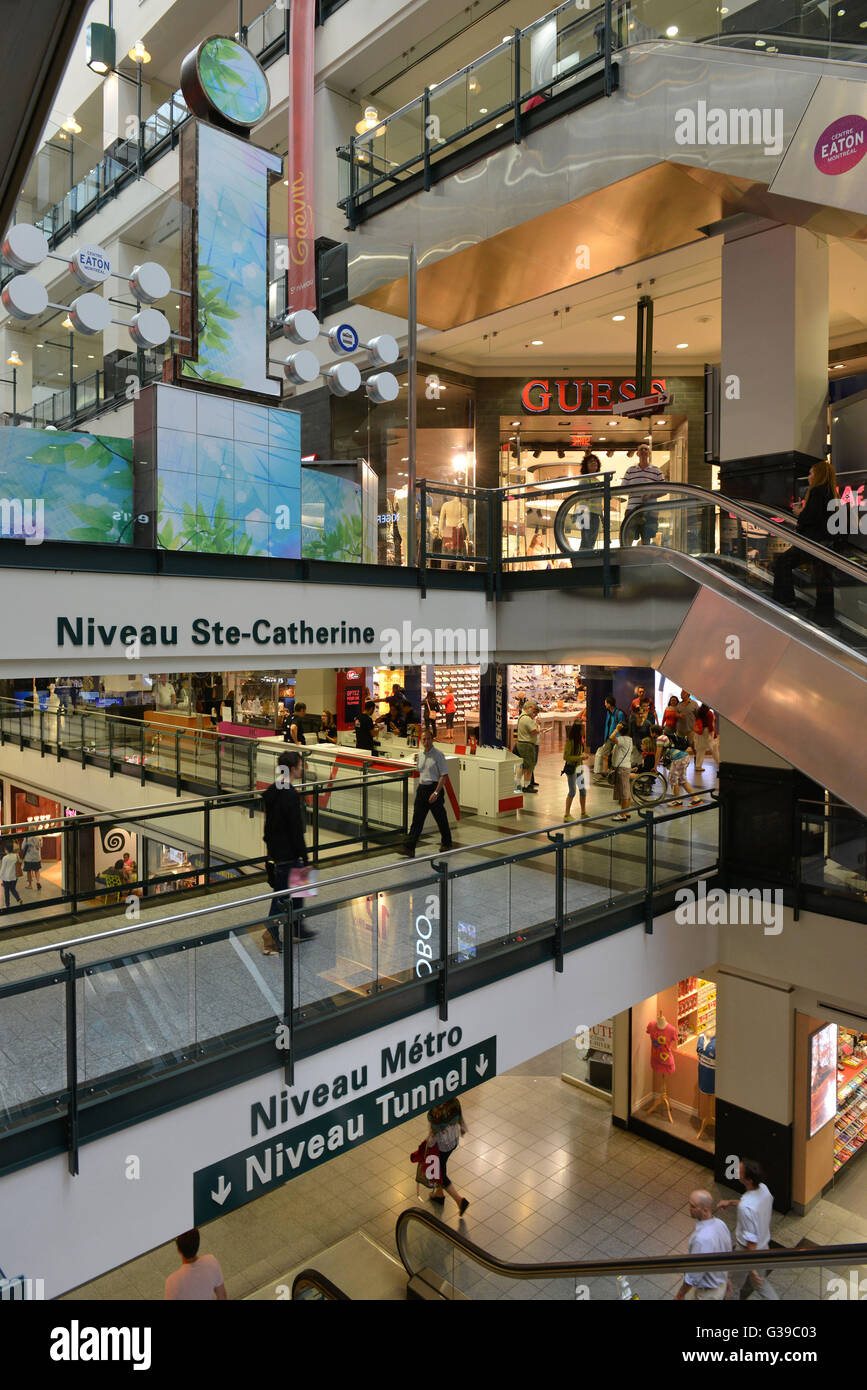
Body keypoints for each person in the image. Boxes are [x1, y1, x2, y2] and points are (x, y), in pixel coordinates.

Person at [261, 749, 315, 953]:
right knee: (282, 896)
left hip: (277, 851)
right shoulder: (290, 795)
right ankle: (271, 934)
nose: (302, 769)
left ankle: (297, 926)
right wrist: (305, 857)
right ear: (292, 769)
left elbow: (268, 826)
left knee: (297, 888)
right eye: (300, 766)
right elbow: (296, 830)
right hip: (288, 853)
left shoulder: (273, 790)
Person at [772, 459, 838, 619]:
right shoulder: (831, 493)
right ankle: (825, 615)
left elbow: (809, 518)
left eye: (811, 473)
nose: (809, 477)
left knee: (782, 562)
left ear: (818, 475)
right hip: (826, 543)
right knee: (823, 580)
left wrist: (799, 513)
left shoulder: (816, 492)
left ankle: (786, 602)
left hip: (812, 542)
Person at [716, 1159, 780, 1301]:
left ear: (748, 1180)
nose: (736, 1172)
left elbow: (751, 1241)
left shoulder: (746, 1207)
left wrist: (751, 1268)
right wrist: (731, 1202)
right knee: (761, 1284)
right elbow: (752, 1205)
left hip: (746, 1252)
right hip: (764, 1247)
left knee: (733, 1286)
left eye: (740, 1171)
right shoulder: (763, 1189)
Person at [399, 728, 454, 858]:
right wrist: (415, 761)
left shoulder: (439, 755)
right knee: (417, 819)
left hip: (434, 789)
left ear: (432, 740)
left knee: (441, 818)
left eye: (429, 739)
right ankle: (409, 847)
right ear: (421, 741)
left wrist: (436, 793)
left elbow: (444, 775)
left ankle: (447, 843)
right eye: (424, 739)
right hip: (422, 789)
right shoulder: (420, 755)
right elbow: (420, 770)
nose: (427, 741)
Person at [674, 1190, 731, 1301]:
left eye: (693, 1206)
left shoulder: (702, 1239)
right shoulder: (720, 1224)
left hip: (708, 1294)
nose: (689, 1208)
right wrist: (727, 1279)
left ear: (705, 1210)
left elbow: (694, 1274)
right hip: (720, 1285)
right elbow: (728, 1255)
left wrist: (680, 1294)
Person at [426, 1096, 469, 1215]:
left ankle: (460, 1201)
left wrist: (428, 1146)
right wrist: (463, 1128)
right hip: (453, 1141)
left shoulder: (436, 1112)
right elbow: (460, 1117)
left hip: (442, 1146)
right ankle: (439, 1194)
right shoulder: (453, 1102)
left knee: (440, 1173)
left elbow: (433, 1136)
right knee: (442, 1165)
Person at [164, 1229, 227, 1301]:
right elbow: (222, 1295)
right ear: (198, 1244)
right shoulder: (211, 1261)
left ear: (179, 1250)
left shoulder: (172, 1281)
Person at [621, 445, 666, 545]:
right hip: (632, 509)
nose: (643, 451)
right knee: (627, 539)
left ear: (649, 453)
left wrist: (651, 495)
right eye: (641, 449)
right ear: (637, 454)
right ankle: (626, 555)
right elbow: (623, 488)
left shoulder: (656, 470)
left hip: (649, 510)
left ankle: (645, 555)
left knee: (646, 540)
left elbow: (664, 490)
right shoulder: (630, 470)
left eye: (646, 449)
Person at [601, 722, 634, 821]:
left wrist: (616, 729)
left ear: (620, 731)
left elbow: (611, 737)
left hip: (622, 769)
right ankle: (626, 812)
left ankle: (622, 815)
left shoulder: (622, 740)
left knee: (624, 792)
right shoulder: (629, 739)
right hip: (625, 767)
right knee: (626, 790)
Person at [594, 694, 626, 779]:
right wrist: (606, 737)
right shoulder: (608, 713)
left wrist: (618, 739)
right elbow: (607, 725)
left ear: (609, 704)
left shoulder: (619, 714)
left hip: (616, 739)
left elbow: (622, 727)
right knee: (605, 755)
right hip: (609, 738)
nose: (604, 704)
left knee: (616, 757)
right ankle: (605, 773)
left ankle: (616, 775)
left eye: (605, 703)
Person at [562, 718, 588, 820]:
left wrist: (582, 755)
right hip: (572, 768)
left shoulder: (581, 740)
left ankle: (583, 812)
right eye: (583, 728)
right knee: (572, 791)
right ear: (579, 730)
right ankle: (566, 814)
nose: (585, 730)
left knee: (583, 790)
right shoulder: (570, 741)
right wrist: (580, 757)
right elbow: (566, 757)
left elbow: (579, 753)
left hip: (579, 768)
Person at [515, 699, 540, 794]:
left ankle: (517, 783)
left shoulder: (521, 717)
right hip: (527, 745)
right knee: (529, 767)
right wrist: (537, 724)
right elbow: (534, 731)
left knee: (524, 766)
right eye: (533, 710)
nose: (534, 713)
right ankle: (526, 786)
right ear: (529, 708)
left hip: (522, 743)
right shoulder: (527, 719)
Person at [578, 451, 602, 550]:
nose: (594, 462)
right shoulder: (584, 479)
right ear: (586, 465)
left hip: (595, 514)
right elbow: (583, 496)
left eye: (595, 461)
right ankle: (582, 557)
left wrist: (601, 514)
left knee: (591, 540)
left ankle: (586, 557)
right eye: (591, 461)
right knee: (586, 541)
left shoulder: (598, 481)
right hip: (586, 513)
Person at [693, 704, 717, 775]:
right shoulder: (709, 713)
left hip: (700, 732)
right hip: (707, 731)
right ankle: (719, 763)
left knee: (700, 749)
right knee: (714, 748)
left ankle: (698, 766)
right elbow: (710, 725)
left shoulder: (699, 711)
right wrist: (712, 733)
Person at [0, 841, 22, 909]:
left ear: (6, 850)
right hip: (15, 876)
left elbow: (3, 869)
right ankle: (19, 899)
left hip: (6, 878)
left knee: (6, 891)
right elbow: (20, 863)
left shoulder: (5, 858)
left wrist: (0, 876)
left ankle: (7, 905)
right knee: (13, 889)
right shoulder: (16, 856)